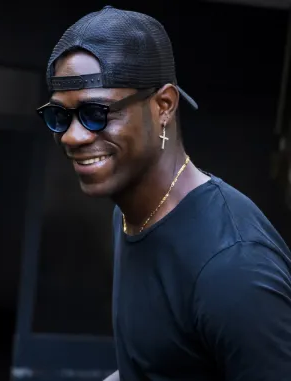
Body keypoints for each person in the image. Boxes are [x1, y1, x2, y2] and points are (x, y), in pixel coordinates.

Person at [37, 6, 291, 381]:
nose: (73, 136)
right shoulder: (129, 215)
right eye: (61, 117)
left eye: (96, 112)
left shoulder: (232, 266)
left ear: (163, 106)